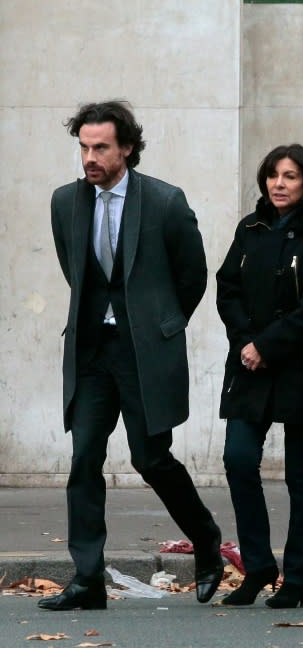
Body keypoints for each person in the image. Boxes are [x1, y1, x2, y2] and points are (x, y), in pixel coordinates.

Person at [40, 101, 223, 611]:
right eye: (83, 147)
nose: (89, 157)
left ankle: (206, 541)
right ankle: (87, 578)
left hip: (144, 353)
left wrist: (160, 325)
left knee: (151, 459)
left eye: (100, 147)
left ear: (127, 148)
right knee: (83, 461)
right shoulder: (64, 203)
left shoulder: (164, 201)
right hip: (92, 352)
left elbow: (192, 275)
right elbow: (75, 270)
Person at [216, 144, 303, 609]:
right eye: (273, 175)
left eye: (290, 176)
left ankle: (296, 577)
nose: (279, 184)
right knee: (237, 458)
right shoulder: (250, 228)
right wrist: (247, 343)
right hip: (252, 363)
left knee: (301, 475)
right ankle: (258, 565)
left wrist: (268, 345)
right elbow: (227, 287)